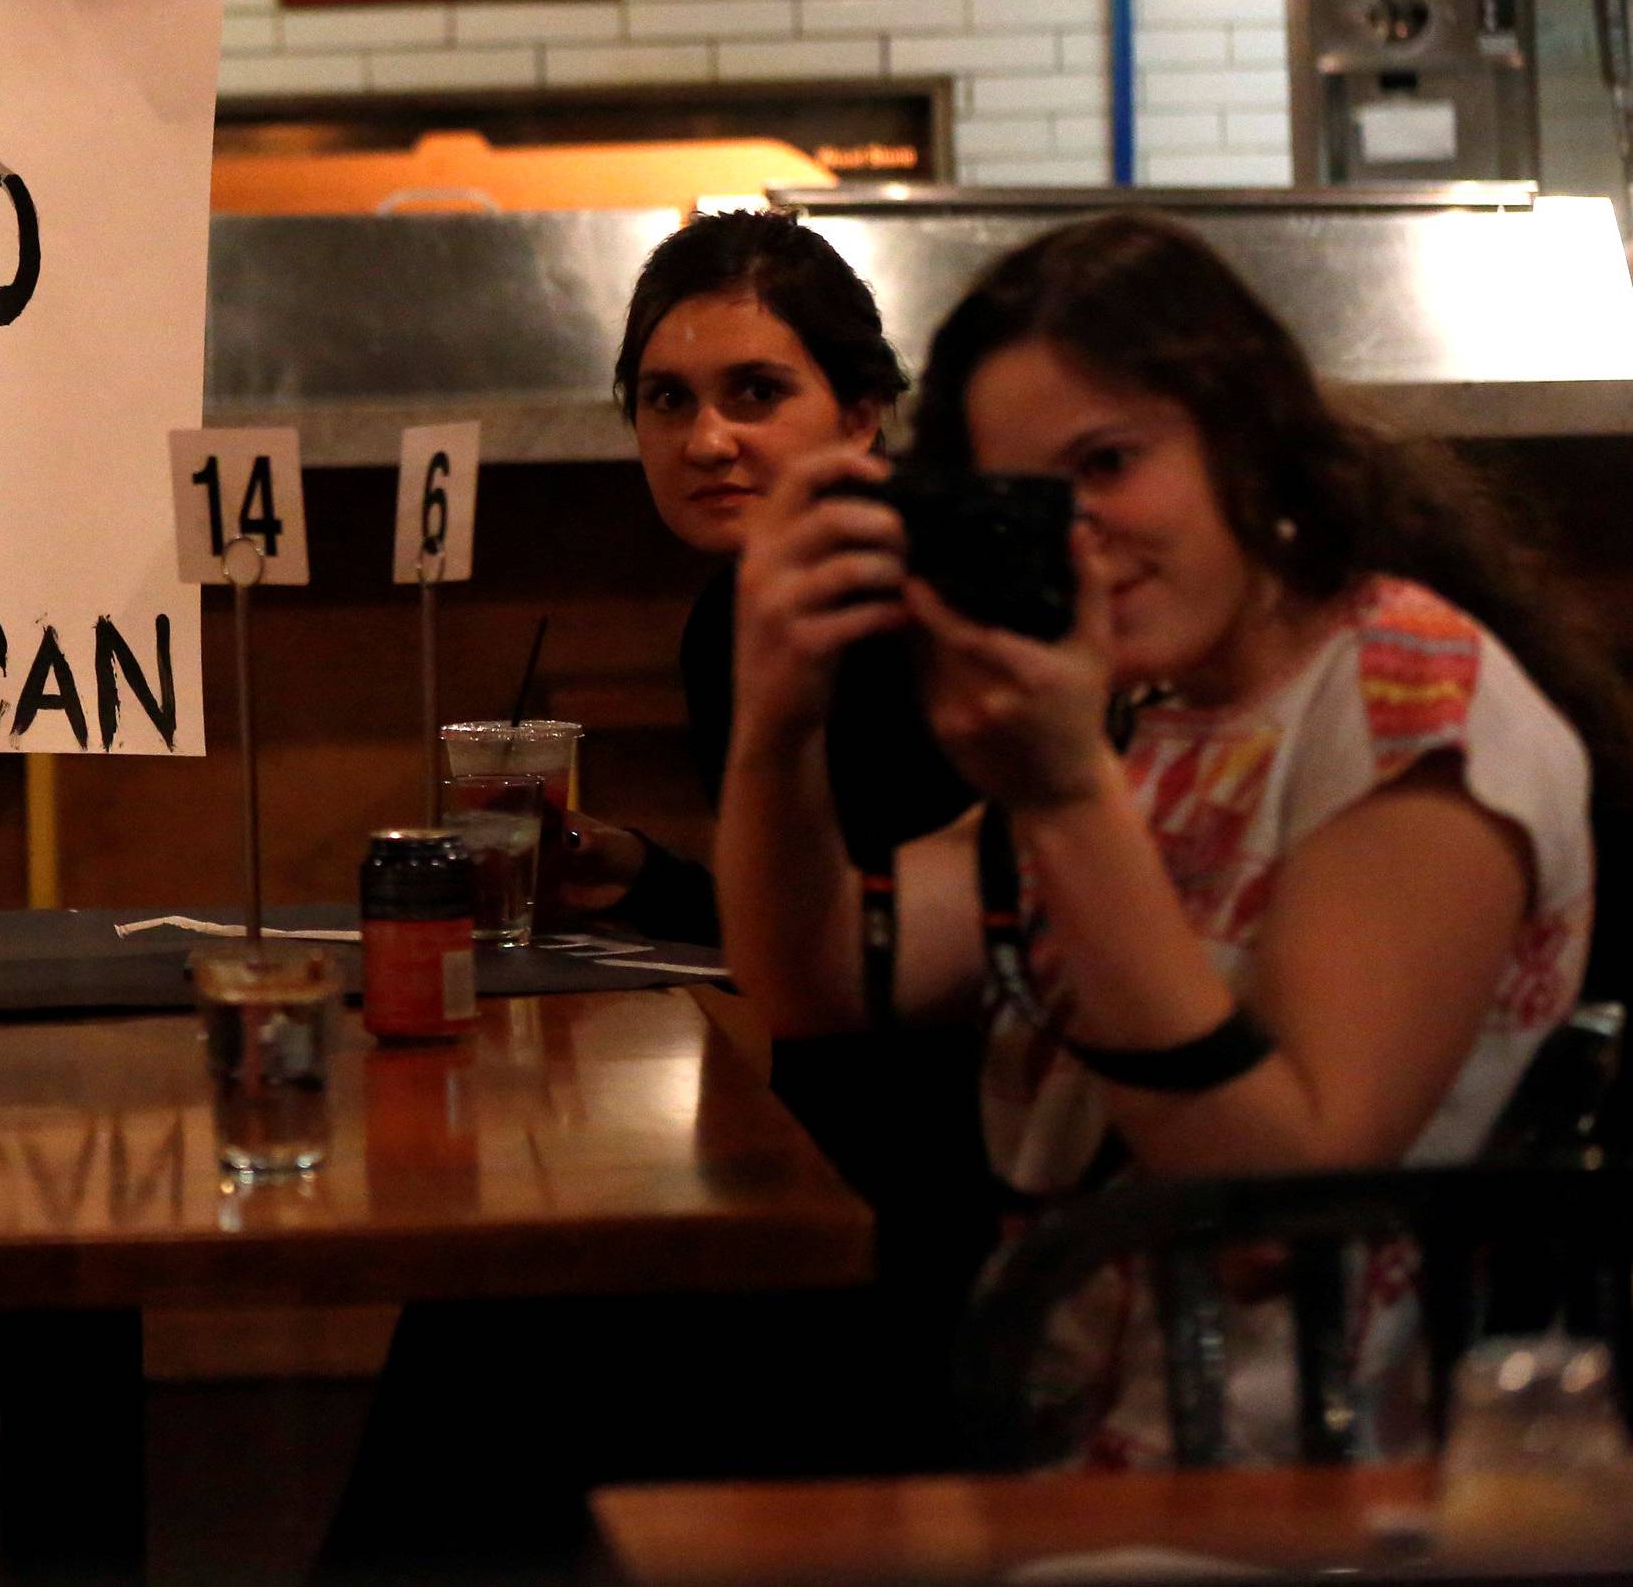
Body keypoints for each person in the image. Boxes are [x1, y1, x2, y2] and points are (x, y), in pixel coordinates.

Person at [718, 209, 1621, 1463]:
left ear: (1248, 436)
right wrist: (775, 727)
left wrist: (1068, 792)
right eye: (1035, 495)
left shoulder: (1409, 697)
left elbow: (1272, 1217)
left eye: (1111, 462)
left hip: (1295, 1485)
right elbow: (820, 973)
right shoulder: (1159, 709)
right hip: (1068, 1443)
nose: (1081, 532)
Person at [562, 206, 972, 940]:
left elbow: (937, 948)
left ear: (859, 413)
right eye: (668, 399)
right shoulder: (732, 617)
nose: (707, 442)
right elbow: (801, 929)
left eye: (755, 391)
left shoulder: (947, 601)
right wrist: (637, 875)